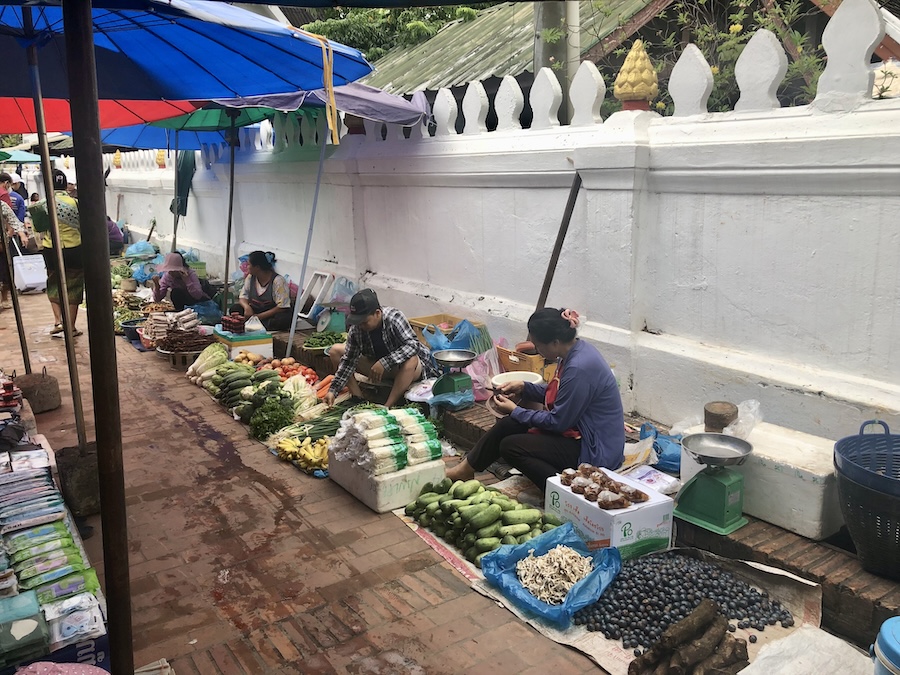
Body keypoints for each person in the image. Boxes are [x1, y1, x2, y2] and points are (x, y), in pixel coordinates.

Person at [445, 308, 625, 492]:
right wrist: (524, 387)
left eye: (538, 346)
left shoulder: (579, 367)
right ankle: (465, 469)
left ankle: (563, 490)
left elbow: (558, 422)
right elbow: (561, 394)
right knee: (509, 424)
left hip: (594, 448)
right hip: (578, 430)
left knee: (511, 447)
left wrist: (516, 410)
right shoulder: (573, 351)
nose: (537, 351)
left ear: (555, 342)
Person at [326, 289, 438, 408]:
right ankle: (358, 400)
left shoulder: (394, 318)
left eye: (364, 322)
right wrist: (333, 390)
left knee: (411, 359)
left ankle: (387, 406)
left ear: (377, 313)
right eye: (358, 322)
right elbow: (348, 361)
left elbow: (413, 345)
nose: (361, 326)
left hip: (405, 369)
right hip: (376, 368)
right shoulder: (356, 329)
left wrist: (384, 362)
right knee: (336, 351)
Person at [30, 170, 84, 337]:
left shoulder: (41, 205)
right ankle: (71, 327)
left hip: (51, 249)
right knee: (74, 286)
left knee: (54, 283)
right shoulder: (75, 203)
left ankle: (58, 322)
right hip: (74, 248)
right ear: (65, 184)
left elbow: (38, 228)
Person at [230, 250, 292, 331]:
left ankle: (258, 324)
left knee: (283, 319)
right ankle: (258, 323)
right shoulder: (251, 278)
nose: (247, 267)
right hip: (255, 310)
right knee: (235, 309)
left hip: (271, 313)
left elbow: (282, 307)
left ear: (257, 267)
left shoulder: (278, 281)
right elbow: (243, 296)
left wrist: (259, 317)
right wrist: (247, 307)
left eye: (249, 264)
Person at [0, 199, 27, 310]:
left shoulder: (2, 205)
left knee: (6, 273)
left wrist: (22, 235)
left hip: (3, 243)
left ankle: (4, 298)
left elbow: (13, 221)